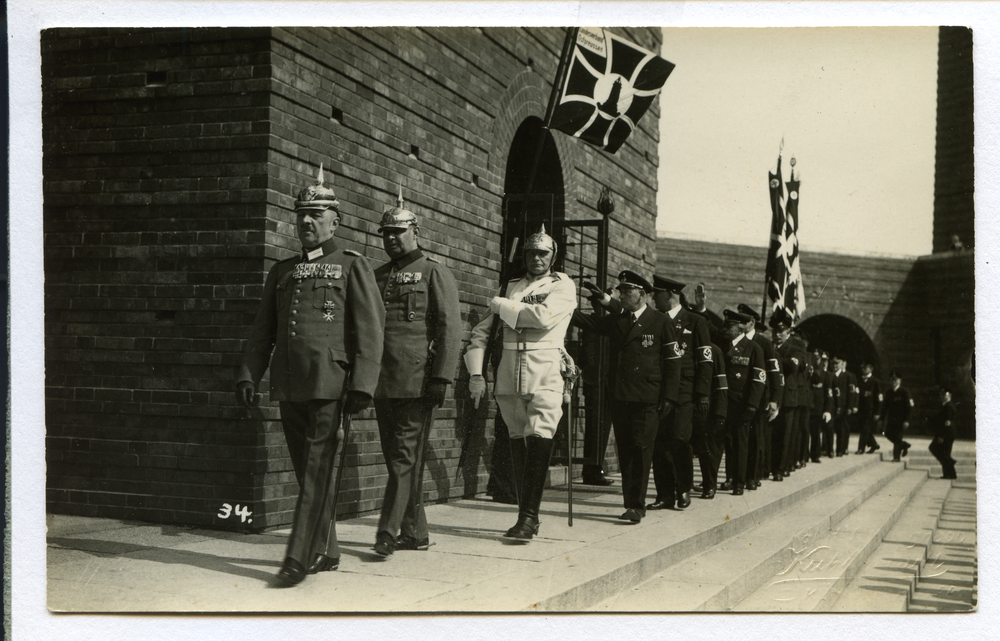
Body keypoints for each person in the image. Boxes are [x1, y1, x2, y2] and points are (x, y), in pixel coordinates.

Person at [235, 166, 385, 585]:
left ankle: (299, 558)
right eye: (301, 213)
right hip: (289, 382)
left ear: (334, 220)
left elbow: (371, 332)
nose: (306, 221)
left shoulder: (353, 265)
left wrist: (362, 386)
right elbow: (263, 329)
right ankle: (327, 548)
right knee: (308, 472)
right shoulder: (282, 271)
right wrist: (249, 375)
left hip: (330, 384)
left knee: (318, 470)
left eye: (316, 214)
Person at [465, 225, 577, 541]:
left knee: (540, 437)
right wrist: (476, 372)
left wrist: (501, 304)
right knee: (517, 441)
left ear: (553, 256)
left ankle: (529, 517)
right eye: (531, 252)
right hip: (509, 372)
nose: (537, 258)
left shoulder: (562, 285)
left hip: (545, 370)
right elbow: (481, 332)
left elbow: (541, 318)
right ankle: (522, 514)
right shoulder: (511, 284)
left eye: (543, 253)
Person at [371, 192, 462, 557]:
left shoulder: (433, 271)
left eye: (398, 231)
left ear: (415, 233)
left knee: (404, 458)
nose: (392, 238)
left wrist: (441, 377)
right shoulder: (376, 275)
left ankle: (387, 531)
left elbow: (449, 328)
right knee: (398, 457)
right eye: (386, 233)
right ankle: (416, 532)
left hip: (416, 380)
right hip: (380, 380)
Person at [574, 270, 681, 522]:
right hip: (620, 396)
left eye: (626, 291)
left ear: (642, 294)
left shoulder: (660, 321)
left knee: (641, 449)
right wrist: (562, 305)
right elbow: (589, 323)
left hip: (648, 397)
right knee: (625, 450)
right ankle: (630, 502)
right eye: (620, 291)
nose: (621, 295)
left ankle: (636, 505)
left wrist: (669, 398)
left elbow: (673, 362)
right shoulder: (618, 321)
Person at [718, 309, 766, 495]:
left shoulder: (753, 348)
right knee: (726, 443)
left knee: (740, 444)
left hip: (741, 404)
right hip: (723, 403)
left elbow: (758, 378)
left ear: (740, 328)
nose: (726, 329)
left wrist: (752, 404)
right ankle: (728, 478)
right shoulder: (723, 345)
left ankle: (739, 482)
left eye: (730, 326)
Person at [738, 304, 782, 489]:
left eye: (743, 321)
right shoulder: (736, 340)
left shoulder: (763, 343)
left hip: (758, 399)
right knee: (738, 439)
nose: (739, 325)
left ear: (751, 323)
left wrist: (774, 400)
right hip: (739, 397)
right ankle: (735, 476)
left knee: (756, 439)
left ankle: (752, 476)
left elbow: (774, 374)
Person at [691, 340, 728, 499]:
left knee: (708, 449)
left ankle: (709, 485)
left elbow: (721, 383)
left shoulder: (714, 350)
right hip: (687, 405)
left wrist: (720, 412)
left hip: (708, 409)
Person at [769, 309, 802, 480]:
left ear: (788, 331)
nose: (777, 334)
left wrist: (773, 358)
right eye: (775, 331)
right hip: (772, 396)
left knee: (784, 435)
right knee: (771, 434)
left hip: (788, 398)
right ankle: (769, 466)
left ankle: (780, 469)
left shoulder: (795, 349)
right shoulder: (769, 347)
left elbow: (792, 366)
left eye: (781, 331)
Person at [883, 371, 914, 462]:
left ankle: (896, 457)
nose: (893, 382)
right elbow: (884, 407)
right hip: (891, 419)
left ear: (900, 381)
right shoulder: (889, 392)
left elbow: (910, 407)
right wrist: (882, 418)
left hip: (901, 420)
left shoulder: (904, 392)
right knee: (887, 434)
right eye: (891, 380)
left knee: (897, 438)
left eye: (895, 380)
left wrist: (907, 420)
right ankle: (904, 445)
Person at [929, 387, 958, 479]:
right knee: (944, 454)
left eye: (944, 394)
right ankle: (950, 474)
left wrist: (942, 436)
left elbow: (947, 423)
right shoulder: (945, 405)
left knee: (936, 449)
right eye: (941, 394)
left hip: (947, 434)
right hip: (946, 433)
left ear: (949, 395)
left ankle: (950, 469)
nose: (942, 396)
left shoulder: (948, 407)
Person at [855, 361, 883, 454]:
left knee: (865, 428)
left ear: (871, 369)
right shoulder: (859, 380)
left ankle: (861, 448)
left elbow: (879, 398)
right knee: (864, 428)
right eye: (862, 368)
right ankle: (874, 444)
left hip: (870, 410)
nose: (863, 370)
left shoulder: (875, 382)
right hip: (861, 409)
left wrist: (877, 412)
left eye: (866, 368)